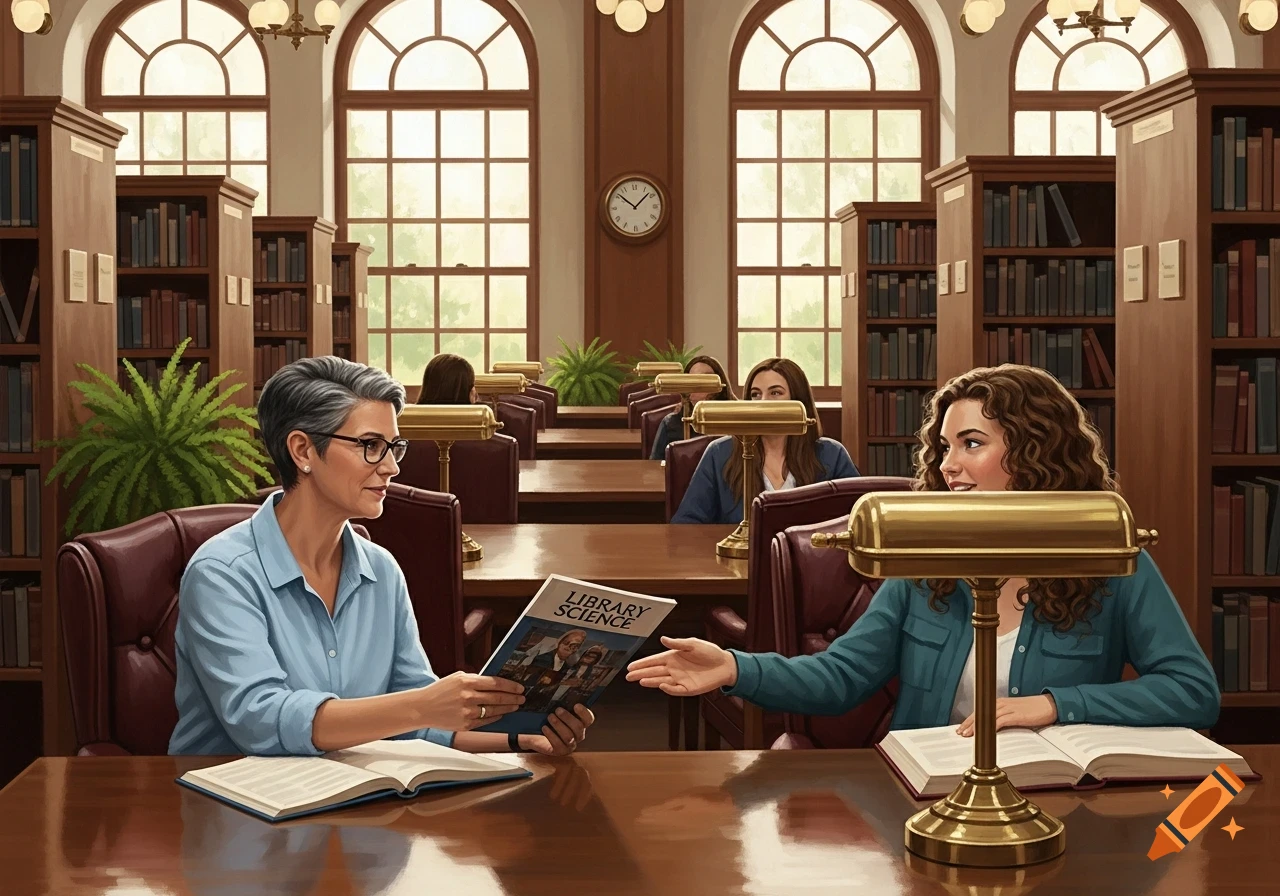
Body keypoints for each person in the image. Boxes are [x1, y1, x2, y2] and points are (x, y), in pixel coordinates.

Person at [630, 364, 1220, 734]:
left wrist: (1057, 705)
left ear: (1036, 453)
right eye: (944, 447)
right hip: (926, 801)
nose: (948, 465)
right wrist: (735, 667)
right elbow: (842, 675)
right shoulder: (924, 564)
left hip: (1057, 801)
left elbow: (1193, 691)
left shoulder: (1112, 559)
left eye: (972, 444)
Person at [168, 356, 595, 757]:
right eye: (371, 445)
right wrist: (421, 706)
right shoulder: (222, 574)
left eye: (395, 446)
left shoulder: (381, 569)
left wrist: (524, 739)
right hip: (231, 800)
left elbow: (417, 725)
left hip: (353, 796)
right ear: (302, 451)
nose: (392, 467)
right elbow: (260, 720)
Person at [670, 357, 858, 524]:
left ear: (798, 400)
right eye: (755, 394)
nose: (763, 401)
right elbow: (686, 523)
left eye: (775, 393)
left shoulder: (832, 455)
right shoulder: (719, 453)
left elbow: (859, 519)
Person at [649, 354, 737, 460]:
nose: (696, 387)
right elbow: (654, 464)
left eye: (704, 381)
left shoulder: (736, 420)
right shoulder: (671, 423)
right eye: (692, 381)